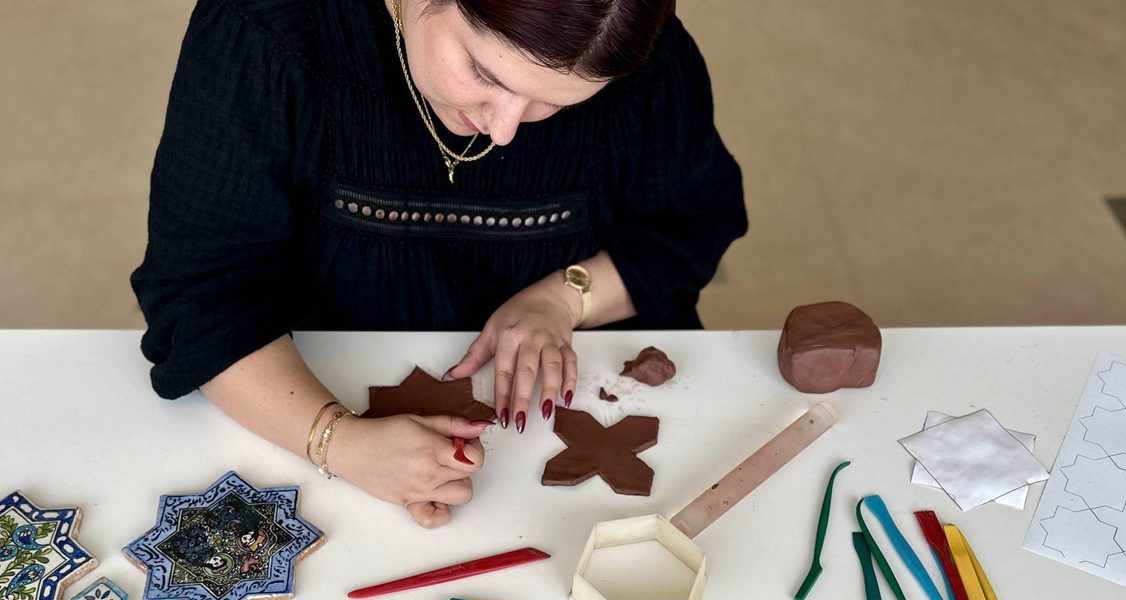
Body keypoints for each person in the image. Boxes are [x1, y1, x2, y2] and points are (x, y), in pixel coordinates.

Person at [132, 0, 746, 527]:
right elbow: (202, 292)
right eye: (483, 72)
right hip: (312, 377)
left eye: (553, 104)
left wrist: (565, 297)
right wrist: (336, 441)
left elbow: (689, 226)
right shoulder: (266, 27)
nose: (503, 130)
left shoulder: (631, 38)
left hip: (572, 410)